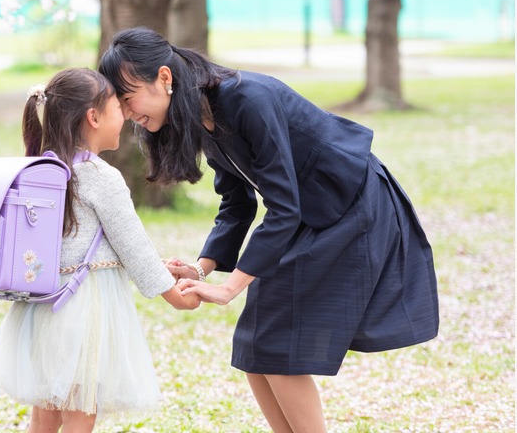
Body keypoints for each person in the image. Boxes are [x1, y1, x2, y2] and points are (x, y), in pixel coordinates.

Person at [98, 27, 440, 433]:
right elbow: (237, 203)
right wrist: (202, 269)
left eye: (128, 97)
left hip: (352, 205)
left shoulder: (245, 99)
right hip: (310, 213)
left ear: (164, 78)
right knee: (256, 345)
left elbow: (283, 207)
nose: (127, 112)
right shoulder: (203, 112)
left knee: (277, 343)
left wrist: (230, 288)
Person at [0, 67, 199, 433]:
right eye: (117, 108)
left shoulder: (44, 168)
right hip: (83, 308)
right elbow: (134, 246)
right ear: (93, 117)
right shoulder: (100, 176)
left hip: (42, 307)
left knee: (45, 414)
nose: (125, 115)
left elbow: (87, 244)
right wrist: (175, 296)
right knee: (81, 410)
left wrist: (160, 267)